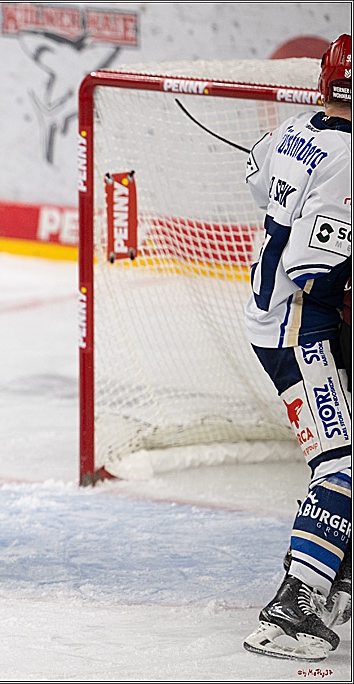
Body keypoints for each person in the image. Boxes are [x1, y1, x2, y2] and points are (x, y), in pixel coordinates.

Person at [242, 34, 352, 661]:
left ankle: (335, 575)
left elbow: (257, 179)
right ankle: (294, 606)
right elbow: (318, 272)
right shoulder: (349, 158)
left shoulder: (292, 129)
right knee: (341, 462)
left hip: (273, 317)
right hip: (299, 329)